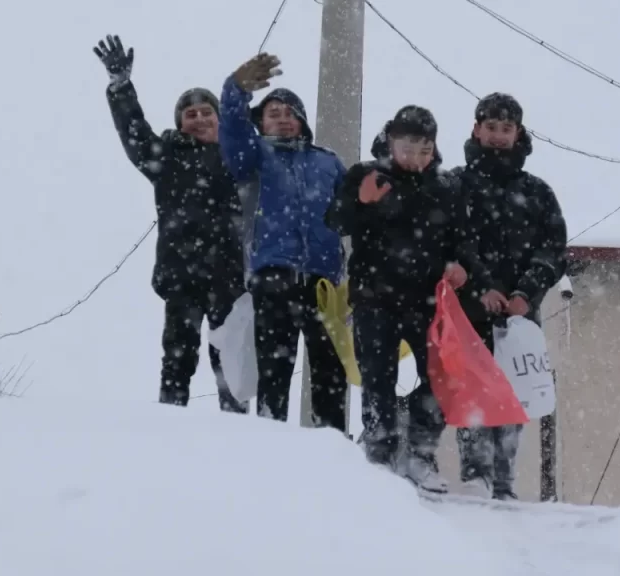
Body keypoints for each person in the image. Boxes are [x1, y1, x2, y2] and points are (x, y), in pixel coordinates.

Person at [327, 105, 504, 493]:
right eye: (408, 147)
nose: (416, 157)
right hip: (374, 299)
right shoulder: (365, 174)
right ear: (391, 141)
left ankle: (419, 452)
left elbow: (464, 242)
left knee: (443, 379)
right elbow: (336, 222)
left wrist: (464, 269)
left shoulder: (445, 185)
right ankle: (380, 454)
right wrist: (362, 201)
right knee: (378, 379)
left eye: (425, 149)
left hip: (428, 303)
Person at [93, 35, 248, 413]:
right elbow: (134, 131)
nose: (198, 118)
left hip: (230, 276)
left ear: (219, 118)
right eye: (190, 114)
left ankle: (241, 438)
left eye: (205, 112)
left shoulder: (241, 157)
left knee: (231, 364)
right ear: (180, 123)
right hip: (182, 275)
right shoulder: (168, 158)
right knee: (177, 360)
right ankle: (168, 428)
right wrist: (120, 87)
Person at [217, 53, 348, 431]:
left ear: (302, 121)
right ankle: (273, 441)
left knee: (329, 367)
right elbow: (233, 132)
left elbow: (353, 212)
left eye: (289, 112)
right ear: (262, 122)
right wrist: (234, 90)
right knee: (276, 363)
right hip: (273, 272)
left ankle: (334, 444)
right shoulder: (254, 155)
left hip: (323, 280)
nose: (282, 118)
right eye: (273, 113)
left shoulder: (327, 162)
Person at [450, 92, 568, 500]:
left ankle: (504, 486)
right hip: (469, 313)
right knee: (473, 392)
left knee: (514, 396)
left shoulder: (537, 192)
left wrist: (524, 293)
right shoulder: (454, 185)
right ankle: (476, 478)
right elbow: (451, 242)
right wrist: (480, 288)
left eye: (506, 128)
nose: (498, 136)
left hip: (519, 318)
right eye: (491, 127)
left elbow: (554, 250)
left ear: (518, 133)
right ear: (476, 129)